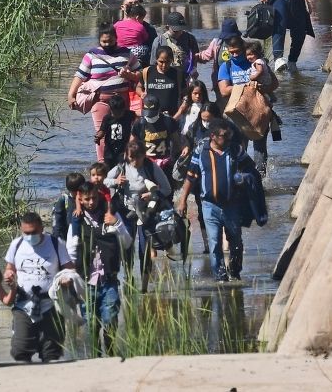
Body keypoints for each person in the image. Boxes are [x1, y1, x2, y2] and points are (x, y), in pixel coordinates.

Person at [178, 118, 260, 282]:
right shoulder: (201, 153)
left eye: (229, 135)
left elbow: (251, 170)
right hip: (209, 206)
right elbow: (191, 176)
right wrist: (182, 200)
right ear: (213, 136)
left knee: (235, 241)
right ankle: (220, 277)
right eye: (224, 136)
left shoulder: (235, 150)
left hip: (232, 206)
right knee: (214, 243)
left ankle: (235, 271)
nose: (228, 139)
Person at [67, 182, 133, 357]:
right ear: (80, 199)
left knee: (110, 319)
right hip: (86, 281)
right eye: (87, 199)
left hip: (109, 279)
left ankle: (111, 353)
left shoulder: (110, 215)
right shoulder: (76, 219)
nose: (91, 202)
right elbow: (71, 251)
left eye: (94, 198)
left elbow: (127, 242)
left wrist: (117, 223)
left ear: (99, 196)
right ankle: (95, 357)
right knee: (91, 324)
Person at [3, 213, 74, 363]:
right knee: (20, 351)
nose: (30, 236)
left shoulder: (56, 244)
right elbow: (10, 268)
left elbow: (70, 269)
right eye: (26, 233)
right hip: (24, 305)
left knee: (52, 353)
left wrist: (67, 279)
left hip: (51, 306)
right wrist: (9, 275)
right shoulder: (16, 245)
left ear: (42, 228)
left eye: (33, 232)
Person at [104, 139, 172, 290]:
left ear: (144, 155)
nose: (134, 161)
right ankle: (129, 279)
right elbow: (104, 181)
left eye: (138, 157)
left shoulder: (150, 167)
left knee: (145, 250)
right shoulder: (121, 166)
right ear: (127, 155)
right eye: (131, 157)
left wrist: (152, 193)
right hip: (126, 212)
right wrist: (115, 181)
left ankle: (144, 288)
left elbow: (167, 189)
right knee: (127, 249)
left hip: (146, 214)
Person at [67, 25, 139, 160]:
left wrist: (130, 76)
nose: (107, 44)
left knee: (124, 131)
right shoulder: (91, 56)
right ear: (99, 40)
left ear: (116, 39)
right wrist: (71, 95)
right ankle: (102, 165)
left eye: (110, 41)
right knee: (102, 132)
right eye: (104, 42)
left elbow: (139, 74)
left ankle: (123, 161)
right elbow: (80, 76)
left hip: (122, 102)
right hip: (100, 101)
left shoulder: (127, 53)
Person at [216, 35, 269, 171]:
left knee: (260, 149)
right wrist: (247, 86)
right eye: (231, 52)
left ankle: (260, 181)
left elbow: (274, 83)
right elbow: (224, 90)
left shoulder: (255, 62)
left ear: (244, 49)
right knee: (238, 148)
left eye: (237, 51)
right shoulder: (226, 66)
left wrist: (263, 87)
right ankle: (240, 178)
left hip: (258, 111)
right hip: (236, 115)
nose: (234, 55)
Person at [139, 47, 188, 122]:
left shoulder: (178, 74)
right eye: (161, 62)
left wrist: (176, 117)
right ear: (156, 60)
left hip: (173, 117)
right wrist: (142, 93)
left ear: (172, 60)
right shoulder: (147, 72)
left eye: (167, 62)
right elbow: (138, 87)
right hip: (150, 118)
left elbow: (186, 96)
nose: (164, 65)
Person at [150, 11, 202, 83]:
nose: (179, 32)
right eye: (175, 31)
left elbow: (195, 57)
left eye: (181, 29)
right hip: (166, 77)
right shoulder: (159, 41)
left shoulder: (190, 38)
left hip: (186, 77)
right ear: (167, 27)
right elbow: (153, 64)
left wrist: (194, 69)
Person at [197, 17, 241, 91]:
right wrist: (198, 56)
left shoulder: (241, 43)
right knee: (222, 99)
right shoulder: (217, 42)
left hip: (237, 78)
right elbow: (207, 55)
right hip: (220, 79)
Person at [95, 92, 136, 171]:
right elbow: (102, 130)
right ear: (110, 109)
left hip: (123, 150)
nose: (117, 115)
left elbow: (138, 117)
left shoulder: (129, 115)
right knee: (108, 170)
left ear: (124, 109)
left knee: (122, 169)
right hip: (109, 150)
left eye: (119, 113)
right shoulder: (107, 118)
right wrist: (98, 137)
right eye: (115, 113)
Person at [52, 173, 86, 242]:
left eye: (80, 190)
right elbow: (57, 220)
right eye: (75, 191)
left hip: (82, 231)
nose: (78, 193)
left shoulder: (86, 199)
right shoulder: (64, 200)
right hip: (66, 232)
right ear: (69, 189)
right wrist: (57, 237)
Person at [115, 2, 151, 68]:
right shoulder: (140, 26)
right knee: (147, 48)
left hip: (120, 50)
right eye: (142, 19)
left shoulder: (117, 24)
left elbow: (112, 33)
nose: (143, 21)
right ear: (137, 17)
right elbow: (145, 38)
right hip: (135, 51)